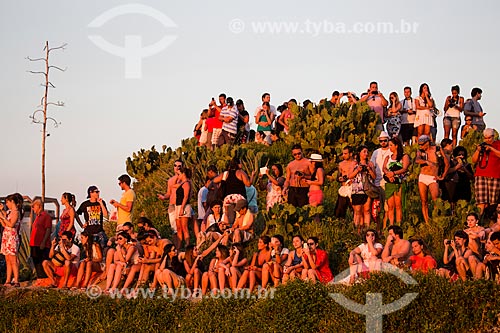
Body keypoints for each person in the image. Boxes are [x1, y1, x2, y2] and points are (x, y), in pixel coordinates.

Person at [415, 135, 449, 223]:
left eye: (422, 144)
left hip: (433, 177)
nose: (421, 146)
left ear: (428, 142)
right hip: (423, 176)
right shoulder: (421, 151)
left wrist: (443, 175)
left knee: (435, 199)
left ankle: (436, 219)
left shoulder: (437, 149)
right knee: (424, 201)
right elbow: (417, 160)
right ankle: (427, 222)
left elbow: (446, 163)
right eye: (419, 144)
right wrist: (426, 161)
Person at [212, 157, 252, 225]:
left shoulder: (226, 174)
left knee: (228, 216)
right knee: (240, 216)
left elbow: (215, 180)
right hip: (238, 197)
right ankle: (240, 229)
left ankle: (229, 230)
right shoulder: (240, 172)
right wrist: (252, 176)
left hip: (228, 198)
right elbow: (248, 184)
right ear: (238, 164)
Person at [471, 128, 500, 216]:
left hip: (495, 175)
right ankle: (479, 220)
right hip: (480, 175)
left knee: (493, 201)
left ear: (493, 136)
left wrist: (491, 149)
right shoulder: (482, 145)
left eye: (489, 138)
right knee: (481, 200)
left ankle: (492, 220)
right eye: (485, 138)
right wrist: (478, 150)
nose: (487, 140)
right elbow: (473, 160)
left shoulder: (498, 144)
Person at [348, 145, 376, 234]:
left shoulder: (370, 164)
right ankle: (357, 230)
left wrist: (369, 169)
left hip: (367, 189)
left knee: (367, 210)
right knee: (357, 211)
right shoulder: (354, 163)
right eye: (364, 152)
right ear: (359, 153)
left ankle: (367, 230)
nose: (366, 154)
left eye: (367, 152)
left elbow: (374, 176)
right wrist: (357, 170)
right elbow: (350, 176)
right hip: (357, 189)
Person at [382, 138, 410, 227]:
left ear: (396, 146)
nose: (389, 147)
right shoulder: (388, 157)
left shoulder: (404, 156)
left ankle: (398, 224)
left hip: (399, 182)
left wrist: (393, 173)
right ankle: (391, 224)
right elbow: (384, 168)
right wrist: (389, 175)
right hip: (389, 182)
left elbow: (404, 168)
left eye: (391, 145)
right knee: (390, 205)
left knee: (398, 205)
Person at [157, 160, 183, 247]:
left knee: (181, 228)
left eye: (179, 166)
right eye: (175, 166)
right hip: (172, 205)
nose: (177, 167)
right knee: (174, 229)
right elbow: (169, 193)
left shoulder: (184, 179)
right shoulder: (171, 180)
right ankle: (175, 247)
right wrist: (164, 197)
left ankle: (181, 246)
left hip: (180, 204)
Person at [0, 193, 23, 287]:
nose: (7, 204)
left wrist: (3, 217)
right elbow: (5, 224)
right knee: (8, 259)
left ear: (12, 201)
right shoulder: (9, 212)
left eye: (8, 202)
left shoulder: (16, 212)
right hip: (6, 235)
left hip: (12, 236)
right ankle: (8, 280)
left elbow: (11, 224)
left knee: (13, 259)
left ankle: (16, 279)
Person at [30, 199, 52, 280]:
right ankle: (40, 277)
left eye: (33, 206)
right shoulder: (37, 217)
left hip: (41, 244)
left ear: (39, 206)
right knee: (36, 260)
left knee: (42, 261)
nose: (33, 208)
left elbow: (48, 229)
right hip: (34, 243)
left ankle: (44, 278)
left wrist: (43, 242)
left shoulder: (46, 216)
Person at [173, 167, 193, 249]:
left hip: (183, 206)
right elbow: (173, 185)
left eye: (179, 174)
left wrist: (182, 208)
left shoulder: (187, 184)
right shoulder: (182, 183)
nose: (178, 176)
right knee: (179, 228)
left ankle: (187, 245)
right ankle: (179, 246)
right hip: (178, 206)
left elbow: (186, 196)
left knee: (184, 227)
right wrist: (177, 176)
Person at [335, 146, 355, 218]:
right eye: (343, 153)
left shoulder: (355, 163)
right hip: (344, 188)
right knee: (340, 209)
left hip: (353, 188)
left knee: (354, 209)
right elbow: (338, 176)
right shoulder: (341, 164)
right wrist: (340, 179)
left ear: (351, 154)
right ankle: (340, 223)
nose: (343, 155)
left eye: (345, 153)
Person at [464, 212, 486, 278]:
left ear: (476, 221)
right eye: (468, 220)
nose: (470, 222)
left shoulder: (481, 229)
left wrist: (471, 233)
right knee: (471, 257)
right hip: (469, 253)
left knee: (471, 239)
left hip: (479, 252)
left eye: (472, 220)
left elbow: (479, 236)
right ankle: (473, 277)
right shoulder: (465, 231)